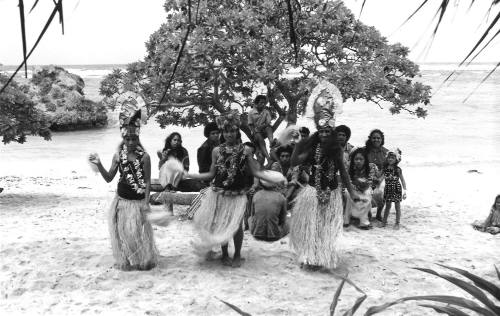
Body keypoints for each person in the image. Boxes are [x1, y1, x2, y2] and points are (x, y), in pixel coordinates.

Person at [185, 110, 285, 268]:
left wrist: (276, 177)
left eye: (232, 131)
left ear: (237, 132)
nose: (229, 134)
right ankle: (225, 254)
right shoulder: (216, 151)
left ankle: (237, 254)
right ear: (222, 133)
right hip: (219, 193)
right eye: (226, 131)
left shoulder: (245, 151)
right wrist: (189, 175)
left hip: (237, 194)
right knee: (222, 224)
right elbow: (211, 174)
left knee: (237, 226)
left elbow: (256, 172)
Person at [290, 80, 359, 270]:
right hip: (312, 192)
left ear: (333, 132)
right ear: (318, 132)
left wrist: (352, 193)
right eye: (322, 131)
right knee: (312, 226)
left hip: (332, 193)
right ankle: (310, 256)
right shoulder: (311, 148)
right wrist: (297, 144)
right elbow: (295, 162)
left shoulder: (336, 150)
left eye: (329, 131)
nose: (325, 134)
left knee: (326, 228)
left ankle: (323, 255)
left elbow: (344, 173)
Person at [88, 108, 157, 271]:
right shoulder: (118, 156)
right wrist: (99, 164)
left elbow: (147, 182)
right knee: (123, 232)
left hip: (138, 202)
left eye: (133, 138)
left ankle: (142, 259)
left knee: (138, 233)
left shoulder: (145, 157)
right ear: (123, 140)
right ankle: (126, 259)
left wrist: (147, 203)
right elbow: (109, 178)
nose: (131, 142)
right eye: (128, 139)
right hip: (122, 201)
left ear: (138, 138)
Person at [344, 148, 378, 229]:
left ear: (365, 160)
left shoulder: (371, 167)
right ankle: (346, 220)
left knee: (366, 194)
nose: (358, 161)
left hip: (366, 188)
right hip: (353, 188)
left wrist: (361, 187)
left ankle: (364, 222)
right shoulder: (349, 166)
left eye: (361, 159)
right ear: (353, 160)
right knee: (348, 194)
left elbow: (369, 182)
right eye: (356, 159)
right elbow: (348, 180)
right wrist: (354, 188)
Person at [249, 177, 289, 242]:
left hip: (256, 233)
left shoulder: (256, 195)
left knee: (250, 219)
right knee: (288, 223)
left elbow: (252, 215)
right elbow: (283, 219)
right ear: (276, 184)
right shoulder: (281, 197)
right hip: (274, 235)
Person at [364, 129, 389, 221]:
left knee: (382, 192)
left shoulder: (386, 152)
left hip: (381, 178)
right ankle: (369, 213)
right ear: (370, 139)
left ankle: (378, 214)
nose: (376, 140)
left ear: (382, 139)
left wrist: (381, 178)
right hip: (367, 177)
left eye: (378, 138)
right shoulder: (364, 151)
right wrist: (370, 177)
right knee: (366, 193)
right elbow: (361, 166)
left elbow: (388, 169)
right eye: (374, 138)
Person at [381, 149, 407, 229]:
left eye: (392, 158)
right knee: (387, 206)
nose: (390, 159)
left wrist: (405, 191)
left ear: (396, 159)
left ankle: (397, 223)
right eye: (389, 157)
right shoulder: (385, 168)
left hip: (396, 189)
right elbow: (380, 177)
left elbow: (402, 180)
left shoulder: (397, 169)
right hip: (388, 188)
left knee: (397, 206)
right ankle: (384, 221)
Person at [248, 95, 274, 164]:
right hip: (255, 133)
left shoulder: (266, 112)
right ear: (256, 103)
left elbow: (268, 123)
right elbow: (250, 125)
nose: (263, 105)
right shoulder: (251, 112)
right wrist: (255, 132)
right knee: (259, 138)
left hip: (264, 130)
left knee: (269, 128)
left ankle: (271, 142)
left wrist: (262, 127)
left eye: (264, 103)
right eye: (261, 103)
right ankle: (268, 158)